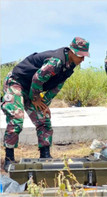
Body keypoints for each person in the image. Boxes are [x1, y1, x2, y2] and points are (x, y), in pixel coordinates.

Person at [1, 37, 90, 171]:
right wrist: (36, 98)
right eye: (80, 56)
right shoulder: (56, 61)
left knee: (44, 119)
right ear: (71, 51)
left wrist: (45, 104)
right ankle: (9, 158)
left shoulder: (70, 66)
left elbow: (57, 86)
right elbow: (37, 78)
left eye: (84, 56)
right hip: (16, 83)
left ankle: (45, 155)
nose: (82, 59)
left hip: (32, 89)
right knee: (17, 119)